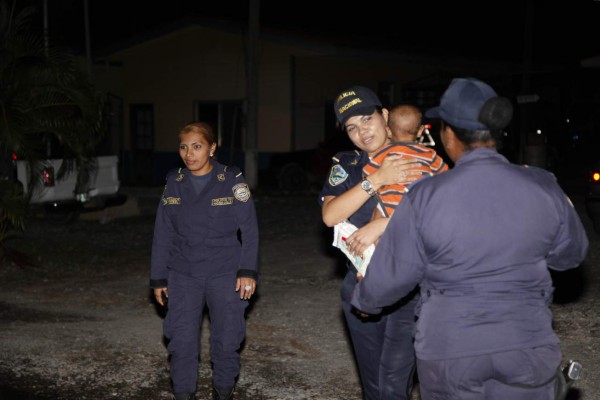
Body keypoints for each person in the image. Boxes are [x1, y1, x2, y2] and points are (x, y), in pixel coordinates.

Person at [351, 77, 589, 400]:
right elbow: (571, 255)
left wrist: (365, 301)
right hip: (526, 346)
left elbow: (393, 274)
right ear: (496, 134)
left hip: (451, 353)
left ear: (448, 135)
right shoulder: (542, 186)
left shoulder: (425, 196)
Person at [319, 85, 424, 400]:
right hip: (361, 286)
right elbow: (330, 215)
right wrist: (375, 180)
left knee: (396, 384)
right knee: (374, 384)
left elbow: (437, 216)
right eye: (352, 127)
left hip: (411, 289)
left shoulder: (415, 155)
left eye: (367, 119)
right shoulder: (348, 164)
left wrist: (384, 223)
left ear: (386, 116)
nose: (362, 131)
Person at [149, 121, 259, 400]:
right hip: (183, 273)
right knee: (181, 341)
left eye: (197, 146)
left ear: (211, 148)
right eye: (184, 147)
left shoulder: (231, 180)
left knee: (227, 339)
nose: (189, 154)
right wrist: (158, 277)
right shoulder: (175, 182)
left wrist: (247, 270)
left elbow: (249, 229)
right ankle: (183, 393)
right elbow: (163, 232)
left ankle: (223, 391)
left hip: (226, 273)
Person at [364, 104, 448, 218]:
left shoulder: (383, 154)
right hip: (420, 205)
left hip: (389, 205)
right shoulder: (429, 154)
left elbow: (367, 174)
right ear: (420, 131)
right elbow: (445, 175)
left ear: (388, 131)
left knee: (373, 225)